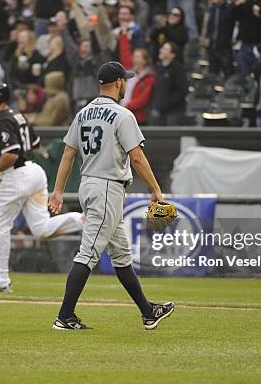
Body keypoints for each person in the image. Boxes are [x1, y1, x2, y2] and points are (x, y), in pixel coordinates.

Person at [48, 61, 174, 330]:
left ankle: (148, 311)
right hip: (107, 187)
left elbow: (68, 154)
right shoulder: (122, 115)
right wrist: (155, 188)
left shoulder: (82, 114)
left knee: (121, 256)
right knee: (88, 253)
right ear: (118, 82)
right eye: (125, 80)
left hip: (90, 185)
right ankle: (65, 316)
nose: (126, 83)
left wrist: (58, 191)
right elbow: (137, 156)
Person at [0, 81, 83, 292]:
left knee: (0, 226)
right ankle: (86, 220)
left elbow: (10, 154)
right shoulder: (18, 115)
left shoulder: (2, 120)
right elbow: (34, 144)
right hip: (34, 172)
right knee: (41, 228)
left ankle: (1, 282)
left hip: (17, 175)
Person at [150, 42, 187, 125]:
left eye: (165, 49)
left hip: (174, 111)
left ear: (172, 54)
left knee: (172, 136)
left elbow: (183, 89)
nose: (161, 50)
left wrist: (169, 101)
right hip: (159, 110)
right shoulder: (157, 67)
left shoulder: (177, 68)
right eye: (162, 48)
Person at [121, 48, 156, 125]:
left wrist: (126, 106)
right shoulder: (130, 75)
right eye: (134, 57)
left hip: (138, 117)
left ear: (145, 61)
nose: (134, 60)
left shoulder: (149, 78)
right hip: (125, 114)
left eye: (137, 57)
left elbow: (143, 99)